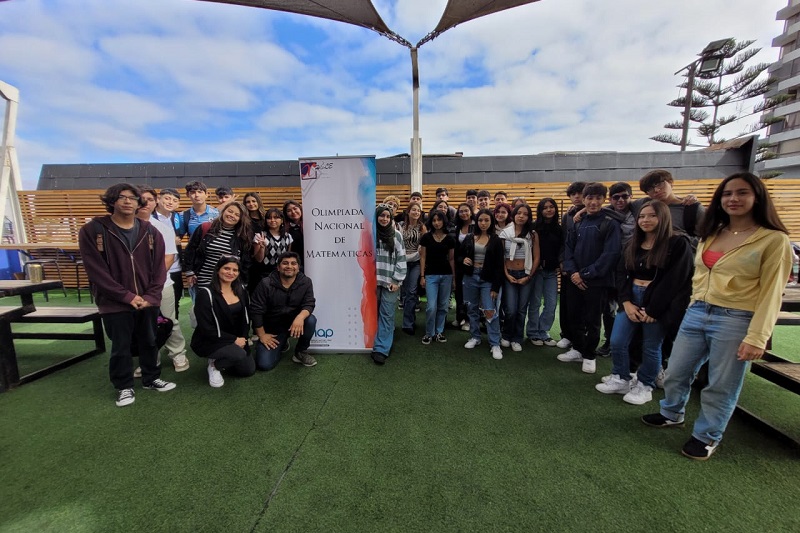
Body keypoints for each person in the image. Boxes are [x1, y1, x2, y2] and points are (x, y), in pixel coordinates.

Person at [642, 172, 793, 460]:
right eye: (727, 193)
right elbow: (700, 276)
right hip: (697, 310)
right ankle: (672, 413)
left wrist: (757, 337)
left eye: (742, 192)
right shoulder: (712, 232)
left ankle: (707, 435)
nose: (733, 198)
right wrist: (692, 306)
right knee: (675, 371)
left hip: (737, 317)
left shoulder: (774, 239)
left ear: (758, 197)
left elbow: (773, 292)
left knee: (722, 383)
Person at [79, 183, 175, 407]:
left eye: (132, 198)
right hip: (114, 302)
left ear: (139, 203)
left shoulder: (150, 231)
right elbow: (96, 271)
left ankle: (151, 378)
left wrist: (151, 296)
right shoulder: (93, 230)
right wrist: (127, 297)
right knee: (121, 345)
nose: (127, 201)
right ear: (111, 200)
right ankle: (124, 386)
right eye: (122, 197)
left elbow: (159, 268)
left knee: (149, 341)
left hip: (147, 300)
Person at [595, 200, 693, 404]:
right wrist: (626, 302)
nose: (645, 220)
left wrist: (654, 309)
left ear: (663, 217)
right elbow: (621, 273)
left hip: (658, 301)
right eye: (641, 216)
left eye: (652, 215)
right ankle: (621, 377)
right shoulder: (633, 243)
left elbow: (676, 280)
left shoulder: (677, 243)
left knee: (651, 345)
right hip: (632, 296)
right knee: (618, 340)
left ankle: (645, 384)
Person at [559, 182, 621, 374]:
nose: (593, 202)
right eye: (590, 198)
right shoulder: (577, 221)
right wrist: (573, 273)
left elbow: (610, 254)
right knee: (574, 316)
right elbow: (568, 249)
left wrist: (585, 274)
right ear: (584, 200)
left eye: (598, 198)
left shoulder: (610, 223)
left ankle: (589, 355)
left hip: (596, 282)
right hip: (574, 279)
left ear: (604, 199)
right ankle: (578, 348)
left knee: (593, 320)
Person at [137, 186, 189, 374]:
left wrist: (153, 281)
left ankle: (178, 353)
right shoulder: (123, 227)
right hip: (133, 287)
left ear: (155, 201)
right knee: (143, 324)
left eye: (149, 199)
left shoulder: (162, 228)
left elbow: (169, 257)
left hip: (161, 284)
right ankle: (151, 357)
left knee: (169, 319)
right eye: (141, 199)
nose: (145, 203)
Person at [191, 256, 256, 387]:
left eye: (235, 270)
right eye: (226, 268)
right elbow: (206, 328)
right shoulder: (206, 294)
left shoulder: (241, 290)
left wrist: (243, 338)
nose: (231, 273)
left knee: (247, 370)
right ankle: (214, 365)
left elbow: (246, 318)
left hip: (236, 337)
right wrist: (234, 340)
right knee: (238, 354)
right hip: (211, 340)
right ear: (218, 270)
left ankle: (226, 355)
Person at [250, 252, 318, 370]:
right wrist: (262, 335)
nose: (289, 266)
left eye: (293, 263)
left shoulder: (306, 282)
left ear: (298, 267)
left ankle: (300, 352)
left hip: (294, 325)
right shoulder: (265, 284)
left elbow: (309, 303)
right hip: (272, 329)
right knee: (264, 365)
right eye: (285, 263)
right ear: (278, 267)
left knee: (310, 320)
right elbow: (256, 310)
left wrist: (300, 317)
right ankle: (282, 342)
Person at [460, 209, 505, 360]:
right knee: (471, 308)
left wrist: (495, 287)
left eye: (486, 220)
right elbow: (459, 255)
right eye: (480, 220)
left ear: (491, 222)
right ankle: (475, 337)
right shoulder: (469, 237)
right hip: (470, 277)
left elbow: (499, 265)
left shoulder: (496, 240)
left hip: (488, 279)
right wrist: (463, 259)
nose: (483, 223)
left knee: (490, 310)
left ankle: (495, 343)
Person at [184, 201, 253, 295]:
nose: (232, 215)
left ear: (241, 218)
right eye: (230, 211)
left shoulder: (243, 237)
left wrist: (243, 283)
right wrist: (189, 272)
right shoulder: (205, 228)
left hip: (228, 284)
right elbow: (190, 250)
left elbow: (245, 262)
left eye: (237, 215)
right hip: (203, 281)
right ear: (223, 211)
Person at [499, 203, 540, 352]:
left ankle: (517, 338)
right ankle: (506, 335)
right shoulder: (505, 233)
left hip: (526, 274)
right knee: (510, 309)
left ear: (529, 217)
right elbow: (501, 257)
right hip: (509, 274)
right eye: (519, 213)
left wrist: (528, 276)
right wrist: (506, 274)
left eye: (525, 214)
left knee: (522, 309)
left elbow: (536, 257)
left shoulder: (532, 234)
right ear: (514, 215)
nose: (521, 216)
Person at [373, 205, 407, 364]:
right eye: (382, 215)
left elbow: (401, 258)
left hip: (390, 282)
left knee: (387, 314)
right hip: (372, 282)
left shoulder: (396, 235)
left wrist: (397, 280)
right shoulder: (370, 234)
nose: (384, 219)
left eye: (388, 216)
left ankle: (381, 348)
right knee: (373, 313)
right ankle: (372, 341)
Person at [526, 198, 562, 347]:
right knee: (535, 303)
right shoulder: (534, 227)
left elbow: (561, 249)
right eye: (545, 207)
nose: (548, 210)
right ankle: (533, 332)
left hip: (551, 272)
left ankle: (543, 331)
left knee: (551, 304)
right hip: (537, 272)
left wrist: (560, 263)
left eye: (551, 207)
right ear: (540, 211)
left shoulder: (559, 228)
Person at [557, 181, 586, 350]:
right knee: (566, 302)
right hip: (568, 266)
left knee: (581, 307)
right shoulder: (567, 216)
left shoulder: (597, 213)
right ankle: (566, 335)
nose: (576, 197)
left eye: (579, 193)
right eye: (573, 194)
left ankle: (580, 341)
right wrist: (562, 261)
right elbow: (563, 241)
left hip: (585, 268)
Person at [419, 211, 456, 345]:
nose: (436, 223)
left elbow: (451, 259)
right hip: (430, 275)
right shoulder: (426, 237)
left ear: (444, 221)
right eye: (434, 220)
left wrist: (454, 278)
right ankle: (429, 333)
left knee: (443, 306)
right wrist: (422, 276)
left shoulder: (450, 239)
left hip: (446, 275)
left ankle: (439, 331)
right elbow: (423, 257)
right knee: (431, 306)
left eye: (439, 220)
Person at [153, 187, 184, 318]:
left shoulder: (178, 217)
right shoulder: (150, 217)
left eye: (174, 200)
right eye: (167, 198)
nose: (170, 202)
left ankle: (171, 326)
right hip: (157, 269)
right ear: (158, 199)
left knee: (174, 302)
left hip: (176, 268)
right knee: (155, 304)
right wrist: (171, 240)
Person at [399, 202, 426, 335]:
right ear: (408, 212)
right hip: (402, 262)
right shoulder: (400, 226)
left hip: (415, 262)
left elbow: (424, 248)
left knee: (411, 291)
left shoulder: (422, 227)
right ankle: (409, 318)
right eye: (413, 210)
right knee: (404, 293)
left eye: (418, 210)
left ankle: (408, 324)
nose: (416, 212)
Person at [252, 208, 293, 292]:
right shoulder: (260, 236)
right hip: (263, 275)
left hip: (281, 275)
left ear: (282, 220)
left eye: (276, 217)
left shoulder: (288, 236)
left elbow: (288, 257)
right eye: (269, 218)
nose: (272, 220)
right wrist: (262, 248)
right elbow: (258, 259)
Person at [452, 203, 474, 331]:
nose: (464, 213)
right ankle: (459, 317)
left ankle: (469, 319)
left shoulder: (476, 226)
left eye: (466, 211)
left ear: (471, 212)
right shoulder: (457, 227)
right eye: (461, 211)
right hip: (459, 264)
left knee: (470, 294)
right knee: (459, 292)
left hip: (472, 264)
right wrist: (460, 260)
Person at [283, 200, 304, 268]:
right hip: (293, 265)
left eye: (295, 208)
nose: (293, 212)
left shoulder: (311, 225)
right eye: (289, 211)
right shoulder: (284, 229)